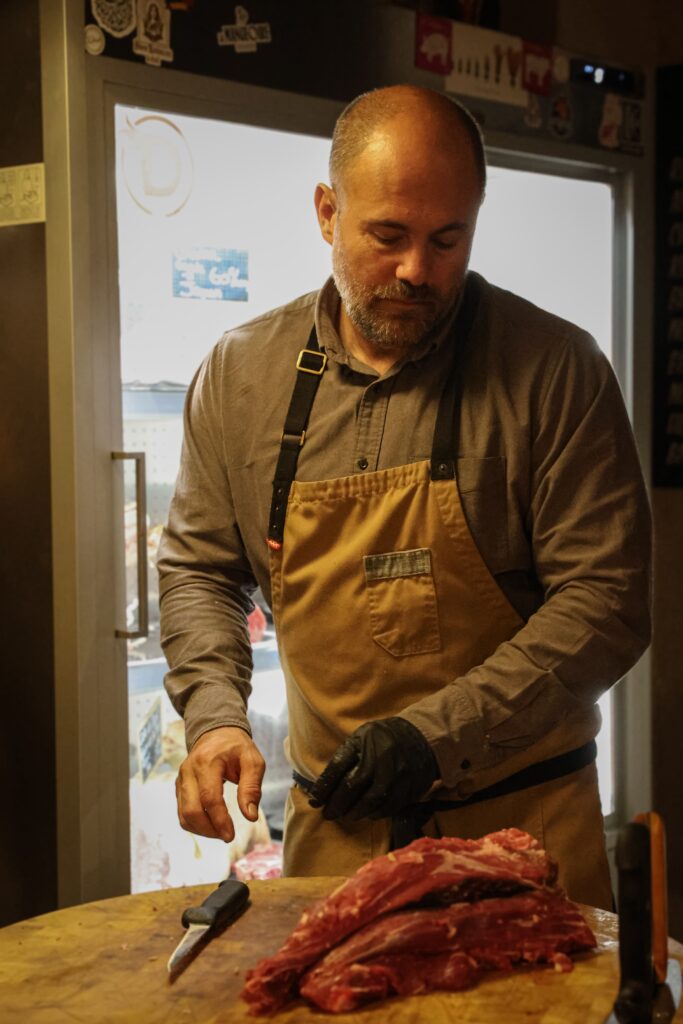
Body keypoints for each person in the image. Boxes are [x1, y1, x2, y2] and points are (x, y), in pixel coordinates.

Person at [157, 85, 651, 909]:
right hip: (335, 836)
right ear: (326, 211)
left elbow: (607, 601)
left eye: (447, 240)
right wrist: (214, 717)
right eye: (387, 236)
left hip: (522, 833)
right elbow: (201, 570)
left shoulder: (556, 369)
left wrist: (433, 738)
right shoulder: (241, 374)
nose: (417, 270)